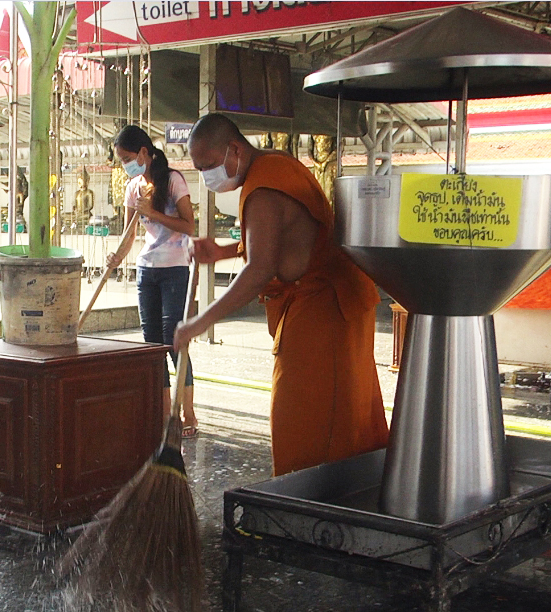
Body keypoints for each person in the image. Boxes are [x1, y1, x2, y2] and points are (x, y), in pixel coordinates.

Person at [174, 113, 389, 475]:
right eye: (199, 169)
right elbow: (285, 239)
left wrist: (199, 322)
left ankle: (314, 499)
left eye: (209, 166)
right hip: (335, 303)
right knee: (342, 413)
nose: (207, 176)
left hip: (324, 311)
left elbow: (259, 269)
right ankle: (343, 490)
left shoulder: (264, 189)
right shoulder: (274, 166)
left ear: (235, 149)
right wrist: (223, 251)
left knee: (305, 422)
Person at [106, 125, 198, 436]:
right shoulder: (133, 187)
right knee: (152, 347)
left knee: (175, 342)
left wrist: (153, 212)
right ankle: (163, 416)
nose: (126, 165)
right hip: (147, 269)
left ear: (144, 153)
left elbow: (189, 226)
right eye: (122, 161)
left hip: (175, 268)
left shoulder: (172, 181)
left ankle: (187, 414)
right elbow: (130, 233)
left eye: (127, 158)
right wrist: (118, 256)